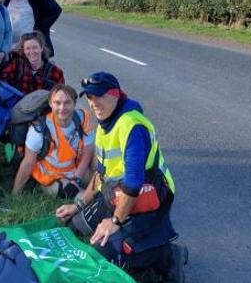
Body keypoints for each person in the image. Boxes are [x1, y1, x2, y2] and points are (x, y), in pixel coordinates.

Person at [54, 72, 186, 282]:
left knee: (106, 256)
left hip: (148, 197)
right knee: (73, 227)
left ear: (115, 95)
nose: (93, 102)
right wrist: (78, 205)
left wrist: (115, 221)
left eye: (98, 96)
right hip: (116, 193)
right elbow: (100, 174)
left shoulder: (132, 127)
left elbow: (134, 183)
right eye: (89, 97)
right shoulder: (104, 124)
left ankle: (169, 258)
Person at [11, 84, 93, 198]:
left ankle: (112, 190)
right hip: (52, 178)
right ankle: (99, 202)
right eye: (57, 103)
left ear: (74, 103)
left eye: (67, 102)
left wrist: (76, 180)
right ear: (50, 103)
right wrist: (14, 195)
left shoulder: (83, 118)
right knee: (84, 197)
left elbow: (88, 152)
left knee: (99, 160)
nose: (62, 108)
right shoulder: (39, 129)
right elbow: (27, 163)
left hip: (75, 170)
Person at [0, 31, 64, 95]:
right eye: (28, 48)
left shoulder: (56, 72)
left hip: (42, 106)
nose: (31, 52)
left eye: (35, 48)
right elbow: (1, 83)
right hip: (18, 105)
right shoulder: (17, 65)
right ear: (24, 51)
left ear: (41, 48)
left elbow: (61, 96)